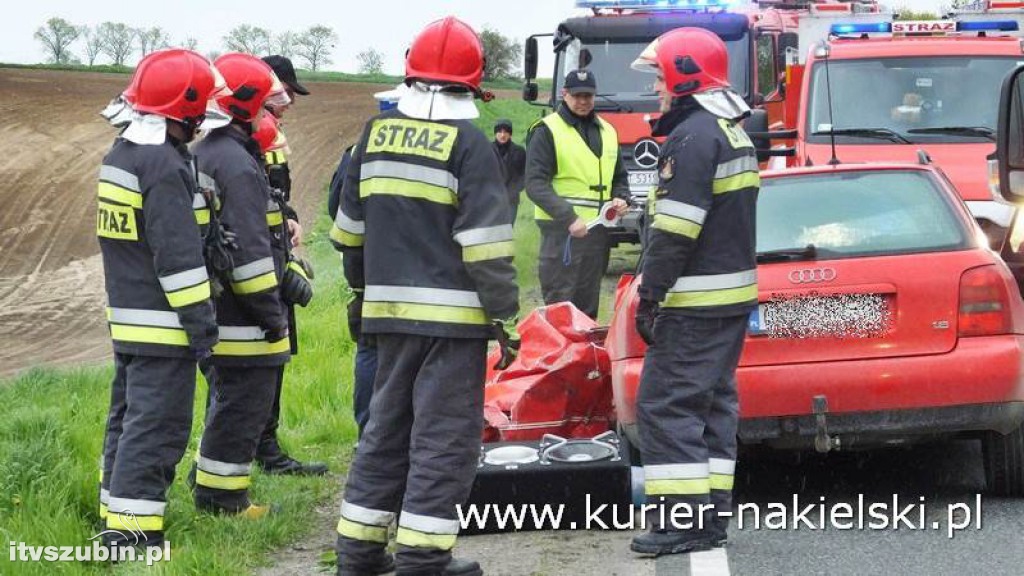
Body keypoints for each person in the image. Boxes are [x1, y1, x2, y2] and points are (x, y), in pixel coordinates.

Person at [332, 16, 520, 576]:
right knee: (443, 442)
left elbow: (346, 231)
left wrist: (368, 288)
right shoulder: (469, 144)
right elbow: (485, 246)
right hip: (453, 326)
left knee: (384, 433)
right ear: (471, 84)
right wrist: (505, 316)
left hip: (385, 318)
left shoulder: (374, 135)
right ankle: (422, 559)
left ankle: (359, 557)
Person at [628, 28, 760, 556]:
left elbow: (679, 229)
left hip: (694, 305)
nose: (656, 90)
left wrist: (650, 294)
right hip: (727, 302)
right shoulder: (729, 132)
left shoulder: (692, 137)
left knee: (665, 406)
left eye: (660, 78)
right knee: (711, 406)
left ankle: (683, 522)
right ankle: (708, 516)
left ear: (684, 76)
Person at [97, 49, 224, 549]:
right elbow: (179, 260)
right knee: (156, 431)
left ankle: (116, 519)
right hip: (163, 326)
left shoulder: (122, 153)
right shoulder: (164, 166)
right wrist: (203, 330)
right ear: (185, 110)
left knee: (127, 425)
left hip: (127, 319)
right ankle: (133, 541)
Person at [191, 53, 294, 517]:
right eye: (265, 103)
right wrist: (274, 318)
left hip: (219, 307)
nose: (271, 112)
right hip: (242, 316)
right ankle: (223, 499)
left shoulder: (210, 150)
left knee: (228, 399)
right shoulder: (235, 161)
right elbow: (249, 253)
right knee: (243, 403)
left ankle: (209, 485)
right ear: (246, 104)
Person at [249, 54, 328, 476]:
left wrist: (290, 217)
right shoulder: (245, 143)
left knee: (276, 358)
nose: (289, 105)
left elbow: (275, 196)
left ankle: (267, 448)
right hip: (260, 266)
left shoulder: (268, 136)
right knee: (257, 364)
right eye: (283, 97)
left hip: (277, 255)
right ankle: (255, 453)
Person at [525, 69, 629, 320]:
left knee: (587, 307)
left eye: (589, 96)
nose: (583, 101)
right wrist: (569, 218)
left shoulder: (608, 130)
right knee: (560, 307)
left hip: (596, 233)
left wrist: (621, 196)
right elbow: (535, 184)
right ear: (564, 94)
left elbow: (619, 177)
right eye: (577, 95)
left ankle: (585, 357)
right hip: (562, 235)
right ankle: (560, 358)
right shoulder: (546, 130)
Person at [492, 118, 526, 224]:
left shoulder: (520, 152)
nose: (503, 135)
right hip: (491, 198)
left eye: (506, 132)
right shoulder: (487, 150)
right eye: (499, 131)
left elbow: (525, 174)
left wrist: (515, 189)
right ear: (495, 133)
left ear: (510, 134)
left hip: (511, 199)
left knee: (508, 229)